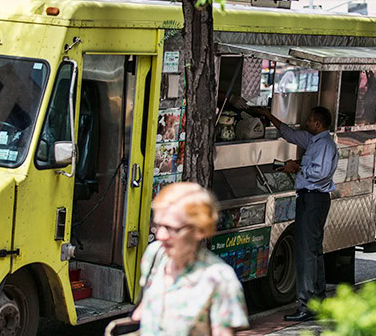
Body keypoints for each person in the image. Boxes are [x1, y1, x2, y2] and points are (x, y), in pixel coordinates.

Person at [131, 182, 249, 335]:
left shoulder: (219, 279)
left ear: (200, 230)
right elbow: (142, 310)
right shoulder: (154, 255)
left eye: (171, 228)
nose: (160, 235)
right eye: (158, 225)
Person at [258, 106, 338, 322]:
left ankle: (308, 305)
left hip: (314, 199)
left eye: (310, 120)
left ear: (318, 124)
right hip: (311, 199)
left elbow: (319, 174)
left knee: (306, 253)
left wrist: (298, 167)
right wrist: (267, 116)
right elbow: (289, 133)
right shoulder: (314, 141)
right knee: (313, 252)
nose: (306, 123)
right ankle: (317, 301)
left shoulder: (324, 145)